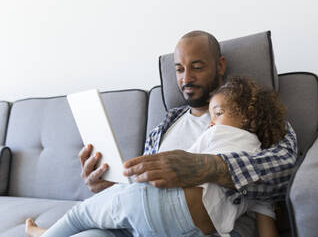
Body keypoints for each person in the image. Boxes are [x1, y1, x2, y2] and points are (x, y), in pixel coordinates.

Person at [26, 30, 297, 237]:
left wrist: (208, 167)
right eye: (179, 69)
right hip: (140, 222)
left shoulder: (253, 119)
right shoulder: (165, 125)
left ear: (220, 65)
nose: (186, 77)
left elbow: (283, 168)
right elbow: (141, 190)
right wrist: (107, 182)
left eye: (197, 66)